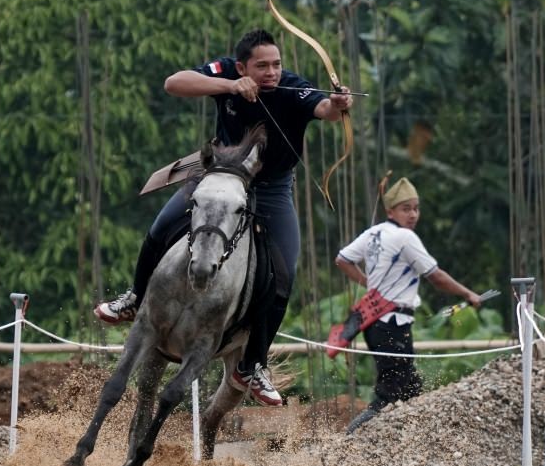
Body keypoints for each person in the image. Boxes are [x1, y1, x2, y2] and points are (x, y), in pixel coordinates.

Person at [95, 28, 353, 407]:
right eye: (262, 66)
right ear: (242, 65)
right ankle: (135, 298)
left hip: (270, 190)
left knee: (284, 272)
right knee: (161, 227)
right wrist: (230, 87)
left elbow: (325, 110)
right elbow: (174, 83)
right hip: (220, 178)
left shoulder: (293, 87)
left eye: (276, 64)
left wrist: (339, 103)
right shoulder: (225, 73)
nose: (272, 72)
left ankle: (251, 364)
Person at [334, 177, 483, 433]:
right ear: (390, 211)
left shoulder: (373, 233)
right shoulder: (405, 237)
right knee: (389, 394)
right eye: (406, 209)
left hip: (378, 324)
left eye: (416, 208)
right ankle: (348, 440)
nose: (413, 214)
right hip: (391, 323)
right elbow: (435, 276)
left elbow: (342, 259)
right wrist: (469, 294)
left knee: (410, 388)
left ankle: (408, 444)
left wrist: (367, 282)